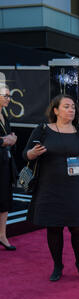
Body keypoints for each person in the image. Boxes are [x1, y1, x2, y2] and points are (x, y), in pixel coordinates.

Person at [23, 94, 79, 281]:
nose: (71, 110)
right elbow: (25, 155)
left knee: (78, 228)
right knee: (54, 228)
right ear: (55, 110)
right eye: (66, 106)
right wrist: (33, 153)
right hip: (49, 188)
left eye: (73, 107)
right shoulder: (42, 130)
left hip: (76, 188)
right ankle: (57, 265)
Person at [0, 85, 18, 250]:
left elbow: (8, 136)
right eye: (5, 95)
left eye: (9, 95)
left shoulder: (4, 114)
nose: (8, 98)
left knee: (5, 199)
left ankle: (2, 235)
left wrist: (10, 139)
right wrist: (3, 141)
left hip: (5, 162)